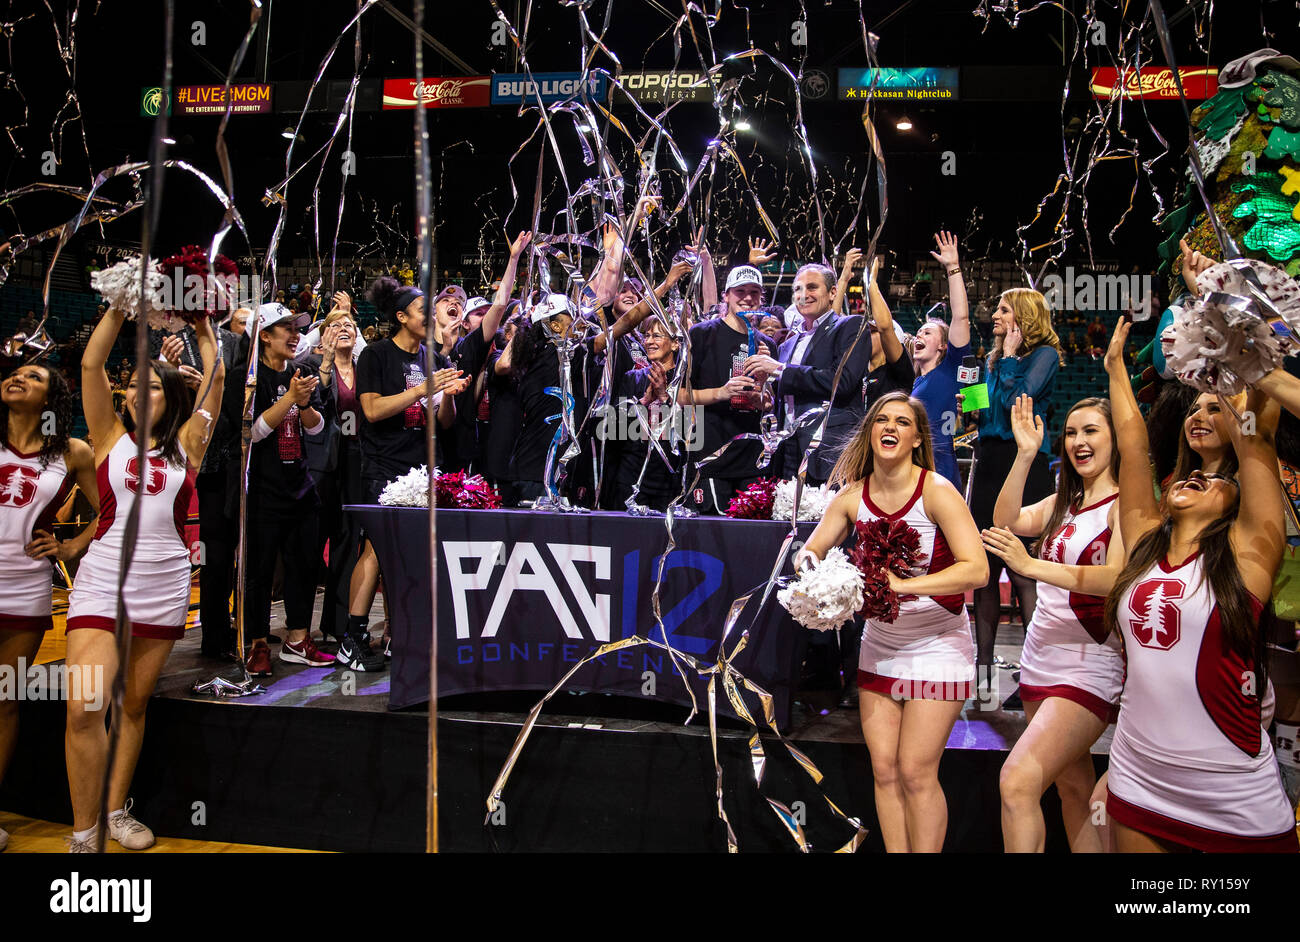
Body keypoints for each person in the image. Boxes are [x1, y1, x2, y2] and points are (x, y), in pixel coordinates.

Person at [1101, 318, 1297, 852]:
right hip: (1138, 776)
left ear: (1238, 501)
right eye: (1189, 477)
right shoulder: (1144, 542)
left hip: (1232, 790)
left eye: (1212, 480)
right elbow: (1132, 442)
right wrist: (1115, 368)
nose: (1194, 477)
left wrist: (1232, 337)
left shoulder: (1247, 557)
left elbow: (1257, 435)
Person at [797, 392, 987, 852]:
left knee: (916, 771)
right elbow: (812, 549)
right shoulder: (851, 496)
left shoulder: (936, 490)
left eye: (903, 422)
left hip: (938, 643)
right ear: (870, 431)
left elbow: (976, 570)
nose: (890, 427)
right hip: (881, 643)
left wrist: (900, 586)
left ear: (917, 438)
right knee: (884, 770)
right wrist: (814, 573)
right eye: (882, 419)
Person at [65, 305, 224, 852]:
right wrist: (116, 307)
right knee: (86, 704)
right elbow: (91, 365)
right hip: (102, 577)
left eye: (151, 386)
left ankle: (114, 812)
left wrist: (205, 327)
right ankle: (84, 832)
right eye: (131, 385)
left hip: (164, 585)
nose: (137, 393)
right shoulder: (108, 435)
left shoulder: (189, 444)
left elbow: (218, 377)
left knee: (133, 705)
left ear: (172, 395)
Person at [982, 395, 1125, 852]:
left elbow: (1115, 579)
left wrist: (1033, 566)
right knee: (1073, 790)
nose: (1078, 442)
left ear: (1117, 439)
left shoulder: (1129, 506)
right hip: (1040, 659)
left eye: (1091, 431)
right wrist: (1025, 455)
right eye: (1071, 433)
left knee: (1018, 781)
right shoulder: (1066, 500)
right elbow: (1005, 521)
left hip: (1089, 664)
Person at [344, 276, 468, 670]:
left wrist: (446, 397)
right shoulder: (377, 356)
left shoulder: (435, 359)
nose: (430, 316)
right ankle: (353, 636)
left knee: (412, 555)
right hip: (383, 465)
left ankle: (400, 634)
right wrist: (422, 390)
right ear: (401, 317)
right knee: (376, 551)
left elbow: (444, 423)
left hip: (423, 470)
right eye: (422, 311)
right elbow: (372, 411)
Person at [0, 362, 98, 853]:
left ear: (52, 398)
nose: (19, 378)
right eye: (15, 372)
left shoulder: (72, 452)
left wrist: (71, 546)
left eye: (34, 376)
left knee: (4, 702)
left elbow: (108, 511)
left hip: (24, 586)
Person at [965, 287, 1064, 691]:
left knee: (1024, 573)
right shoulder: (993, 359)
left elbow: (1015, 401)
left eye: (1003, 310)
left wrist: (1007, 356)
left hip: (1022, 464)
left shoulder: (1045, 356)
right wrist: (969, 402)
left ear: (1023, 317)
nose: (995, 315)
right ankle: (984, 675)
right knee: (986, 574)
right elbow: (982, 412)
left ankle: (1034, 675)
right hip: (988, 462)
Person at [242, 303, 335, 676]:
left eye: (297, 328)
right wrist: (289, 399)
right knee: (260, 573)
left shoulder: (300, 372)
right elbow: (253, 432)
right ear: (264, 335)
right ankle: (257, 644)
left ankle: (298, 638)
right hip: (263, 490)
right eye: (286, 329)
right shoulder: (251, 377)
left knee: (303, 567)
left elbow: (315, 428)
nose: (295, 335)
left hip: (300, 485)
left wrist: (306, 404)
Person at [746, 263, 873, 486]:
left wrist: (778, 370)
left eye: (812, 287)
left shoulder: (851, 326)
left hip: (829, 451)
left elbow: (841, 382)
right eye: (798, 289)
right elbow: (788, 393)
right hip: (787, 450)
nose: (804, 295)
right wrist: (766, 396)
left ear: (833, 292)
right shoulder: (788, 345)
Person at [911, 232, 972, 489]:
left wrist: (952, 268)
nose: (919, 335)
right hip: (915, 471)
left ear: (944, 345)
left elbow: (960, 318)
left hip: (940, 473)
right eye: (918, 332)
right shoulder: (915, 382)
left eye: (928, 332)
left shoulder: (951, 369)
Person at [611, 317, 687, 511]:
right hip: (632, 477)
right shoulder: (633, 378)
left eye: (657, 336)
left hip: (669, 479)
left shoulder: (686, 381)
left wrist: (664, 397)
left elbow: (693, 434)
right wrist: (643, 402)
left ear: (675, 344)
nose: (649, 341)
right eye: (647, 335)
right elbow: (614, 429)